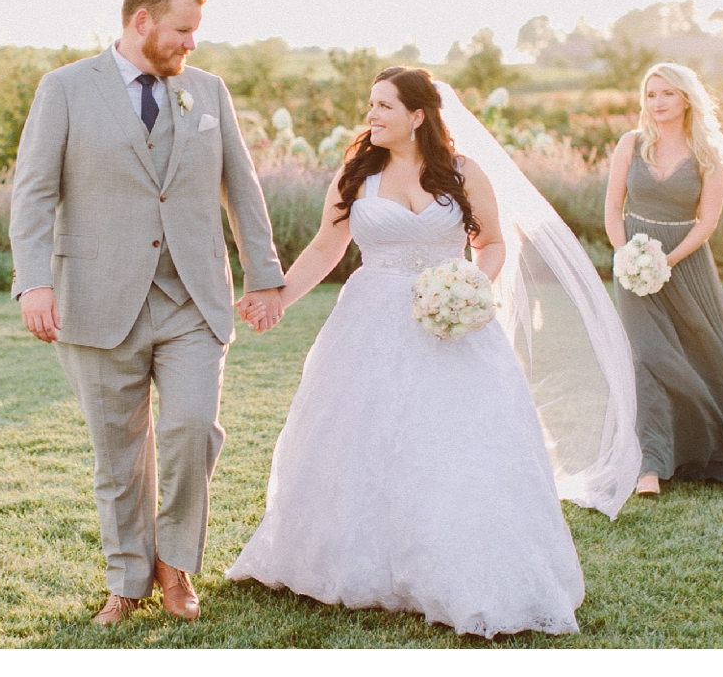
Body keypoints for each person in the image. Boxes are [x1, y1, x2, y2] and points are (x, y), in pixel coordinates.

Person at [227, 67, 640, 638]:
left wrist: (472, 286)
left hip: (452, 327)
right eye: (370, 105)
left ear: (418, 115)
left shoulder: (464, 173)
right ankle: (357, 559)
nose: (371, 115)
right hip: (369, 324)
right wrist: (280, 300)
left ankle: (462, 562)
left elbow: (491, 244)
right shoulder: (357, 174)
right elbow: (328, 245)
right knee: (363, 438)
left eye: (384, 106)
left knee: (455, 443)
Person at [9, 0, 286, 626]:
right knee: (118, 452)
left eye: (196, 33)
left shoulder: (208, 91)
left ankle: (176, 565)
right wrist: (34, 281)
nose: (191, 44)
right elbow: (34, 192)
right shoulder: (66, 89)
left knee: (192, 428)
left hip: (193, 297)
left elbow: (241, 188)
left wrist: (264, 273)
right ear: (141, 22)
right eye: (182, 31)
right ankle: (127, 579)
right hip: (97, 298)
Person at [604, 62, 723, 495]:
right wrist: (627, 256)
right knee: (646, 355)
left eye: (667, 94)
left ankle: (715, 448)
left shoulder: (708, 154)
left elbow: (707, 221)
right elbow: (612, 207)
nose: (657, 103)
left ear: (687, 98)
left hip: (684, 264)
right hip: (633, 264)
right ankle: (649, 466)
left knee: (705, 356)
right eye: (651, 94)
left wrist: (666, 261)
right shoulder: (630, 144)